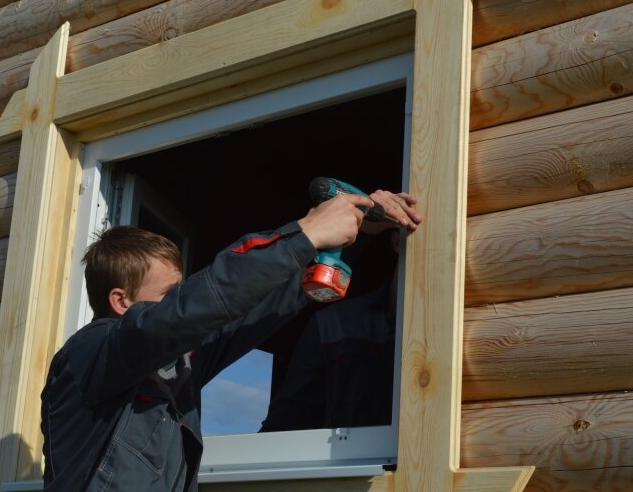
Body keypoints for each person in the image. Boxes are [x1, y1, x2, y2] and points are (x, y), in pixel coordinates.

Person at [40, 190, 421, 492]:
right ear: (121, 301)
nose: (180, 302)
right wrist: (303, 233)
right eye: (169, 294)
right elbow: (193, 308)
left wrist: (346, 233)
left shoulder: (171, 364)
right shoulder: (89, 353)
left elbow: (245, 308)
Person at [260, 228, 402, 432]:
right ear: (397, 240)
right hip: (342, 460)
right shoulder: (334, 323)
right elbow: (288, 417)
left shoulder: (454, 335)